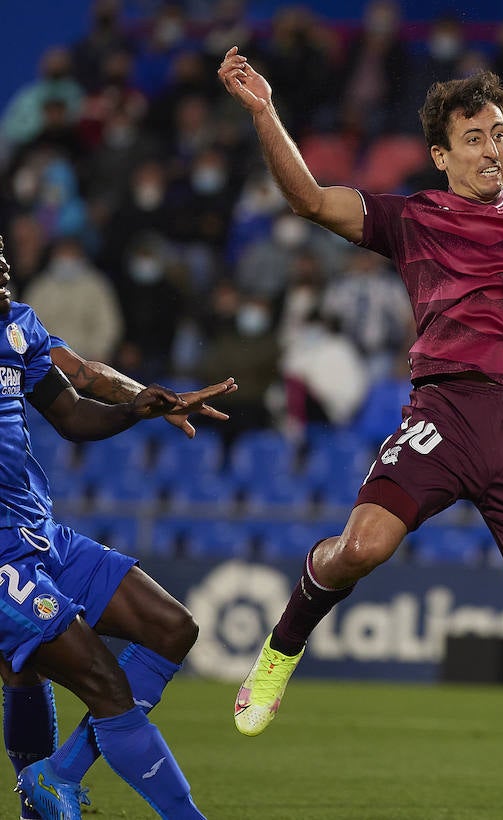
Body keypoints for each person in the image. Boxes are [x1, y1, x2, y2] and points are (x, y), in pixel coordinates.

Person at [218, 49, 503, 820]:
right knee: (362, 547)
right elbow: (310, 200)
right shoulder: (413, 219)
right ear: (442, 155)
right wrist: (263, 111)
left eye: (500, 132)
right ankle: (281, 649)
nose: (492, 148)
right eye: (474, 137)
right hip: (444, 414)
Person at [0, 234, 235, 819]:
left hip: (38, 532)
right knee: (100, 684)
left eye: (2, 250)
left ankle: (56, 777)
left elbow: (73, 412)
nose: (3, 263)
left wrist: (136, 407)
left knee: (171, 628)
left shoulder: (18, 330)